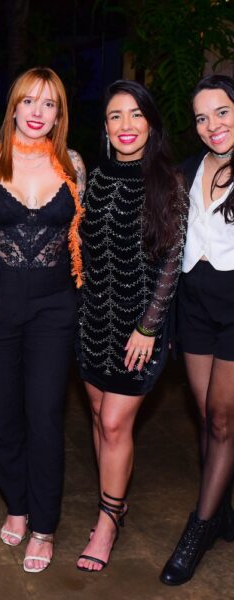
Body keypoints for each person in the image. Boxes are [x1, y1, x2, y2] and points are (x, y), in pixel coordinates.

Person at [0, 67, 85, 573]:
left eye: (49, 104)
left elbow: (88, 237)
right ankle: (16, 505)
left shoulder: (73, 165)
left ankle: (44, 525)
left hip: (54, 308)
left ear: (59, 114)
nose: (37, 112)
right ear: (13, 107)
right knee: (1, 414)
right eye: (28, 101)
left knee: (44, 415)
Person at [75, 80, 186, 572]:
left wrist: (148, 327)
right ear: (105, 126)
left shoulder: (168, 182)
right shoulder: (96, 178)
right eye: (115, 116)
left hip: (139, 326)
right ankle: (113, 503)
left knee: (116, 422)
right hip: (92, 321)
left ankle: (107, 523)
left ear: (151, 125)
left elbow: (172, 262)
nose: (126, 125)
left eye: (136, 115)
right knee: (100, 417)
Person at [161, 74, 234, 586]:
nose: (213, 125)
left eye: (222, 112)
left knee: (223, 419)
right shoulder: (187, 171)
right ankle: (223, 509)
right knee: (207, 415)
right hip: (194, 304)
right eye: (202, 118)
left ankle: (199, 528)